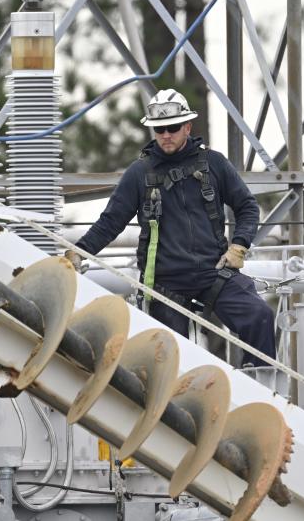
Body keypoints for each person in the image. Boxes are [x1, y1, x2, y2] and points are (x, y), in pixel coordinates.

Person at [67, 90, 275, 366]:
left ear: (187, 127)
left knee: (259, 316)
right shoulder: (139, 174)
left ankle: (261, 392)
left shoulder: (214, 165)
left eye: (173, 128)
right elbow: (110, 223)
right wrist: (78, 252)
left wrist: (239, 246)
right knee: (169, 359)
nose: (165, 134)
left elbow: (248, 206)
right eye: (159, 129)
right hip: (165, 283)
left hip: (213, 274)